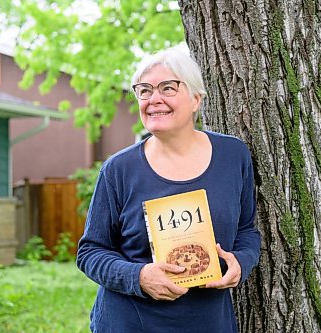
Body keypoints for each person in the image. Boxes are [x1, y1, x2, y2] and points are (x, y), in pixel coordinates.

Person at [77, 46, 261, 333]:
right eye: (144, 90)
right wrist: (138, 276)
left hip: (208, 322)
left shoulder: (233, 156)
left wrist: (241, 261)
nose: (154, 99)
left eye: (168, 88)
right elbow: (90, 251)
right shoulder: (118, 170)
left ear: (196, 99)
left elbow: (247, 231)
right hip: (129, 322)